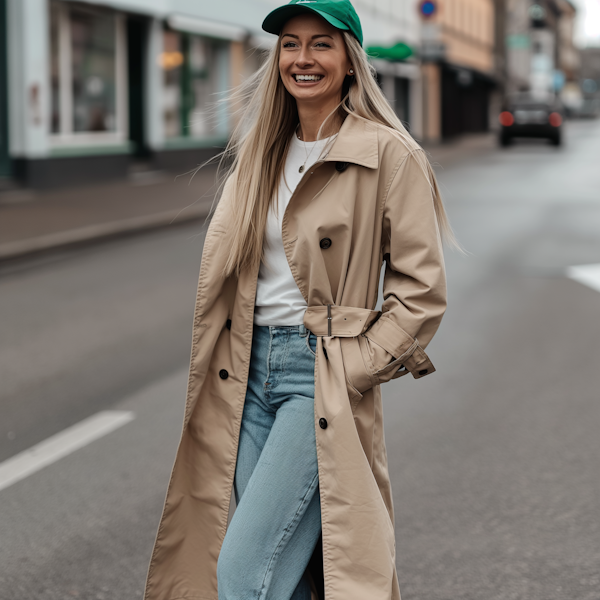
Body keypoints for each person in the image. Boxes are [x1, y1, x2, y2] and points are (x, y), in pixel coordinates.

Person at [144, 1, 451, 599]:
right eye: (290, 44)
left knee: (242, 570)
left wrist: (351, 370)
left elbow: (421, 293)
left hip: (318, 374)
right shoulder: (260, 151)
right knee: (292, 572)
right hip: (245, 369)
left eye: (321, 44)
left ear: (350, 60)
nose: (302, 59)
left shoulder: (390, 154)